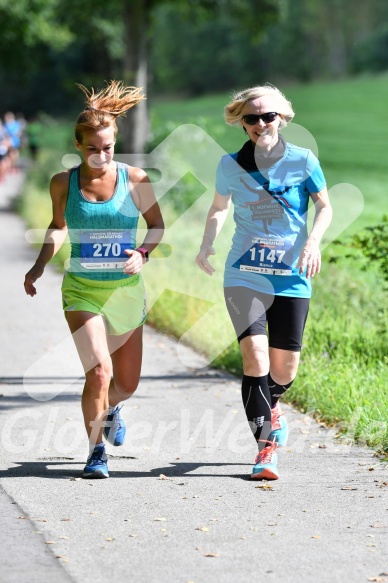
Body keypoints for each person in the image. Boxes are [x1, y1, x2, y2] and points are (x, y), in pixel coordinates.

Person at [24, 81, 164, 479]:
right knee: (98, 373)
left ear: (115, 143)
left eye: (107, 148)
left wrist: (142, 253)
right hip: (83, 290)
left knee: (126, 383)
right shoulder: (62, 183)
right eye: (92, 149)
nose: (100, 156)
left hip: (124, 291)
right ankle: (96, 451)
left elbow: (156, 226)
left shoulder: (136, 180)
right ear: (78, 144)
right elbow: (57, 226)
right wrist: (38, 266)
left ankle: (112, 408)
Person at [195, 84, 332, 480]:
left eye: (267, 116)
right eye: (251, 118)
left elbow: (324, 206)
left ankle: (271, 407)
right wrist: (206, 243)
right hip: (244, 275)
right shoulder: (229, 165)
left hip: (292, 276)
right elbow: (219, 207)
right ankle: (265, 447)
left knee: (284, 371)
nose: (260, 124)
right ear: (242, 122)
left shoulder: (304, 161)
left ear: (283, 117)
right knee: (254, 358)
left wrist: (313, 241)